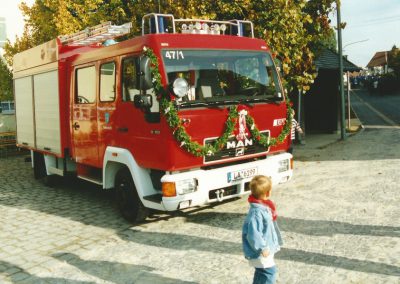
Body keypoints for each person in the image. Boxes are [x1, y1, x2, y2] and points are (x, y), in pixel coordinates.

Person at [242, 175, 283, 284]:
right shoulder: (256, 213)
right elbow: (253, 234)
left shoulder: (264, 207)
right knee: (270, 272)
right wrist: (263, 248)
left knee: (261, 273)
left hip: (266, 248)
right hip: (260, 251)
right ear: (268, 193)